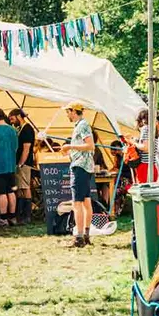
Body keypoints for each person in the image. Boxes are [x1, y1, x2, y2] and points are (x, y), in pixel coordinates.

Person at [60, 101, 96, 247]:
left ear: (73, 111)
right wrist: (71, 151)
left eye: (67, 112)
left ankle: (79, 238)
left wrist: (70, 146)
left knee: (77, 203)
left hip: (80, 167)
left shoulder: (82, 125)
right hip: (84, 166)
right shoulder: (81, 125)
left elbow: (90, 145)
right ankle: (85, 235)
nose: (67, 114)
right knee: (86, 201)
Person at [9, 108, 36, 224]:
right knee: (20, 188)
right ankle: (21, 214)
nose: (11, 121)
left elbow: (26, 148)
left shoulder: (27, 129)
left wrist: (21, 163)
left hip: (24, 163)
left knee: (25, 187)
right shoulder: (19, 129)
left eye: (12, 118)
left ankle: (27, 216)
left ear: (19, 116)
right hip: (19, 163)